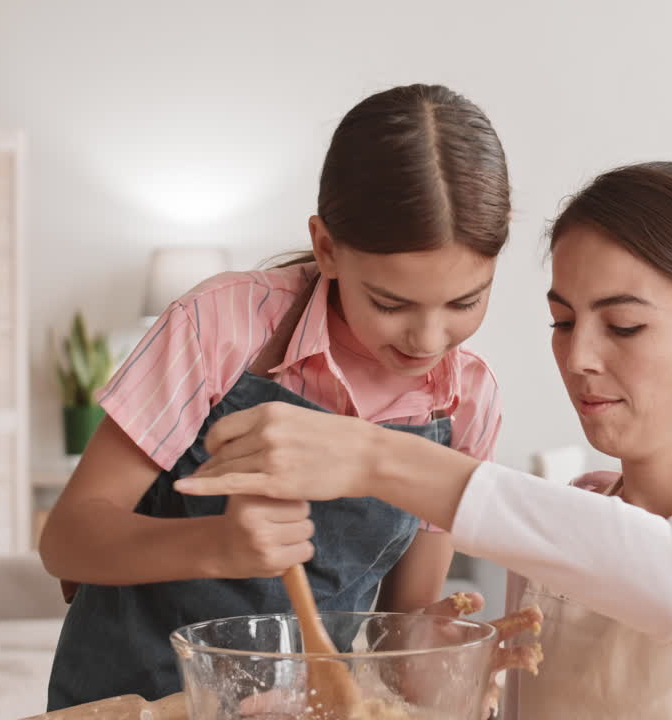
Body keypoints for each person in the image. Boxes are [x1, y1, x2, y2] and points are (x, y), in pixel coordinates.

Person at [176, 161, 672, 718]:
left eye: (624, 325)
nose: (578, 357)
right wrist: (411, 698)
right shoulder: (562, 532)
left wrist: (374, 456)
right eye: (562, 320)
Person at [38, 83, 512, 709]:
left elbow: (404, 622)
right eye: (391, 304)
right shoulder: (223, 326)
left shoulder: (463, 402)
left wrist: (440, 645)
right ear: (326, 248)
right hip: (133, 698)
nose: (428, 339)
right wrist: (217, 547)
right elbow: (68, 539)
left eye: (465, 302)